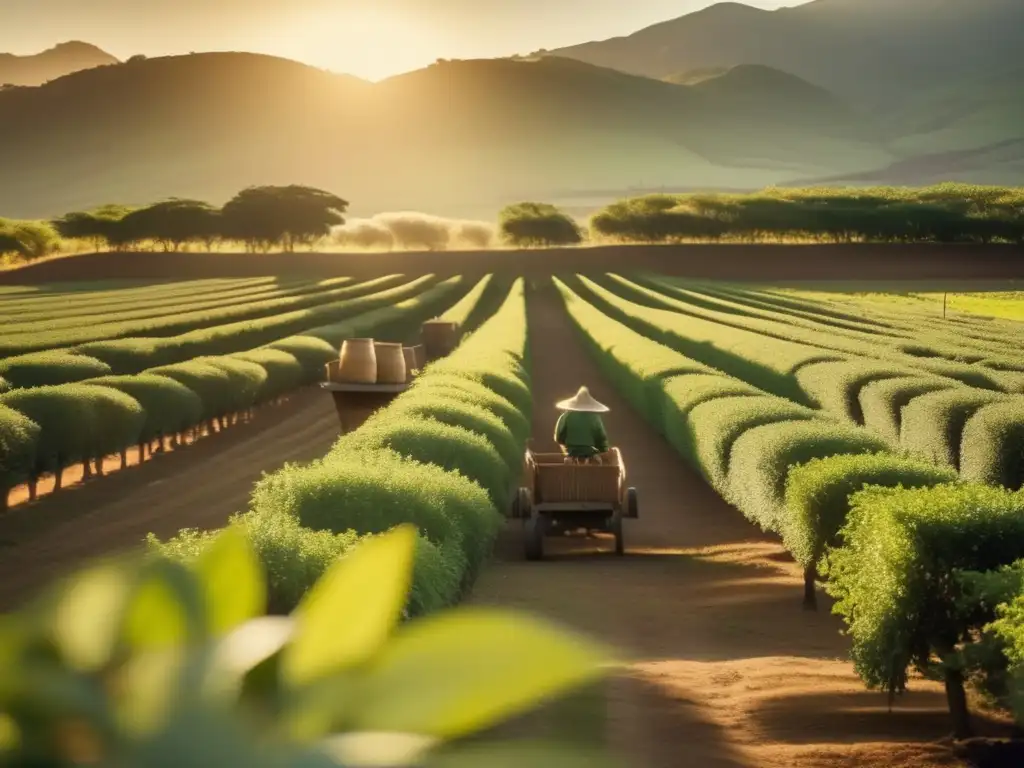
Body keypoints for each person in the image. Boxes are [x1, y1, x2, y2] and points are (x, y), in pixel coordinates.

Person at [554, 386, 610, 464]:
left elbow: (559, 435)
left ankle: (570, 458)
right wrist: (603, 449)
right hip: (588, 449)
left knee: (571, 454)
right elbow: (600, 436)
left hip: (571, 449)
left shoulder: (566, 416)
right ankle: (593, 458)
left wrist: (565, 444)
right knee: (593, 455)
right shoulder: (595, 417)